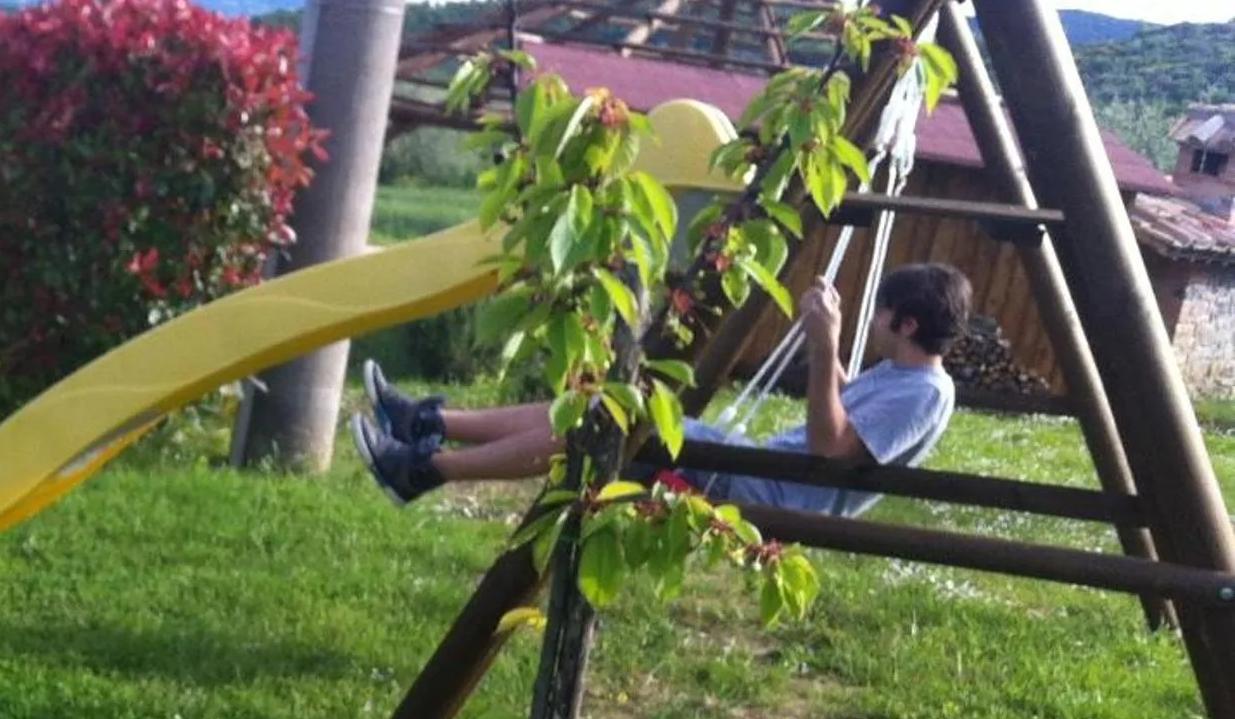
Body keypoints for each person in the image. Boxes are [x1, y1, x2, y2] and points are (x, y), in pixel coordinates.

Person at [352, 261, 973, 516]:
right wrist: (826, 341)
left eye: (884, 313)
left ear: (907, 323)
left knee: (604, 424)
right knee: (599, 406)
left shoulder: (925, 394)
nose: (877, 323)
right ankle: (427, 425)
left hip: (769, 495)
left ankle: (429, 467)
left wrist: (824, 346)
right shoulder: (900, 377)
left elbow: (828, 446)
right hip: (757, 468)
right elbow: (841, 415)